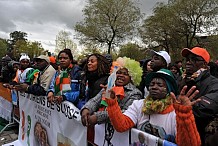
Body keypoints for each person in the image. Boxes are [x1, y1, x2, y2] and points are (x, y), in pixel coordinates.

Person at [105, 69, 201, 146]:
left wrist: (184, 115)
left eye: (160, 85)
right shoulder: (138, 105)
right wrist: (112, 102)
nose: (154, 87)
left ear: (169, 89)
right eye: (152, 84)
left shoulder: (177, 112)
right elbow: (121, 126)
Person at [180, 47, 218, 146]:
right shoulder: (181, 80)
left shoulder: (214, 83)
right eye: (187, 59)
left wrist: (186, 106)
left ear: (205, 64)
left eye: (194, 59)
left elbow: (206, 108)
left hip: (200, 137)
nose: (188, 62)